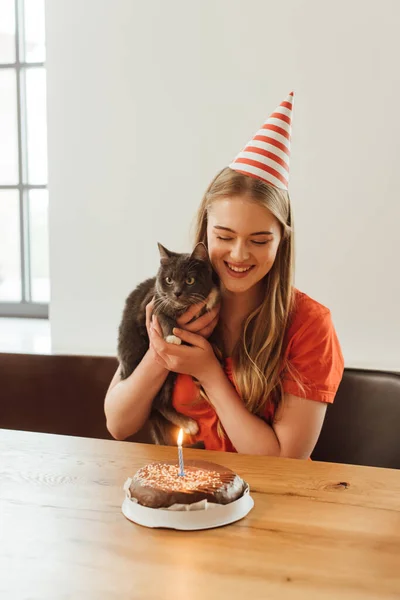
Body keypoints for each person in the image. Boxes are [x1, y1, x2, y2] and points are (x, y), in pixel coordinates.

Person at [105, 92, 344, 457]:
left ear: (282, 242)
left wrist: (210, 374)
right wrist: (161, 354)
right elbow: (119, 424)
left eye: (259, 240)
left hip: (272, 503)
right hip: (186, 502)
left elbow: (285, 462)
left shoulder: (309, 325)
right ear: (204, 233)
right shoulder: (174, 303)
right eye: (224, 237)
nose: (238, 255)